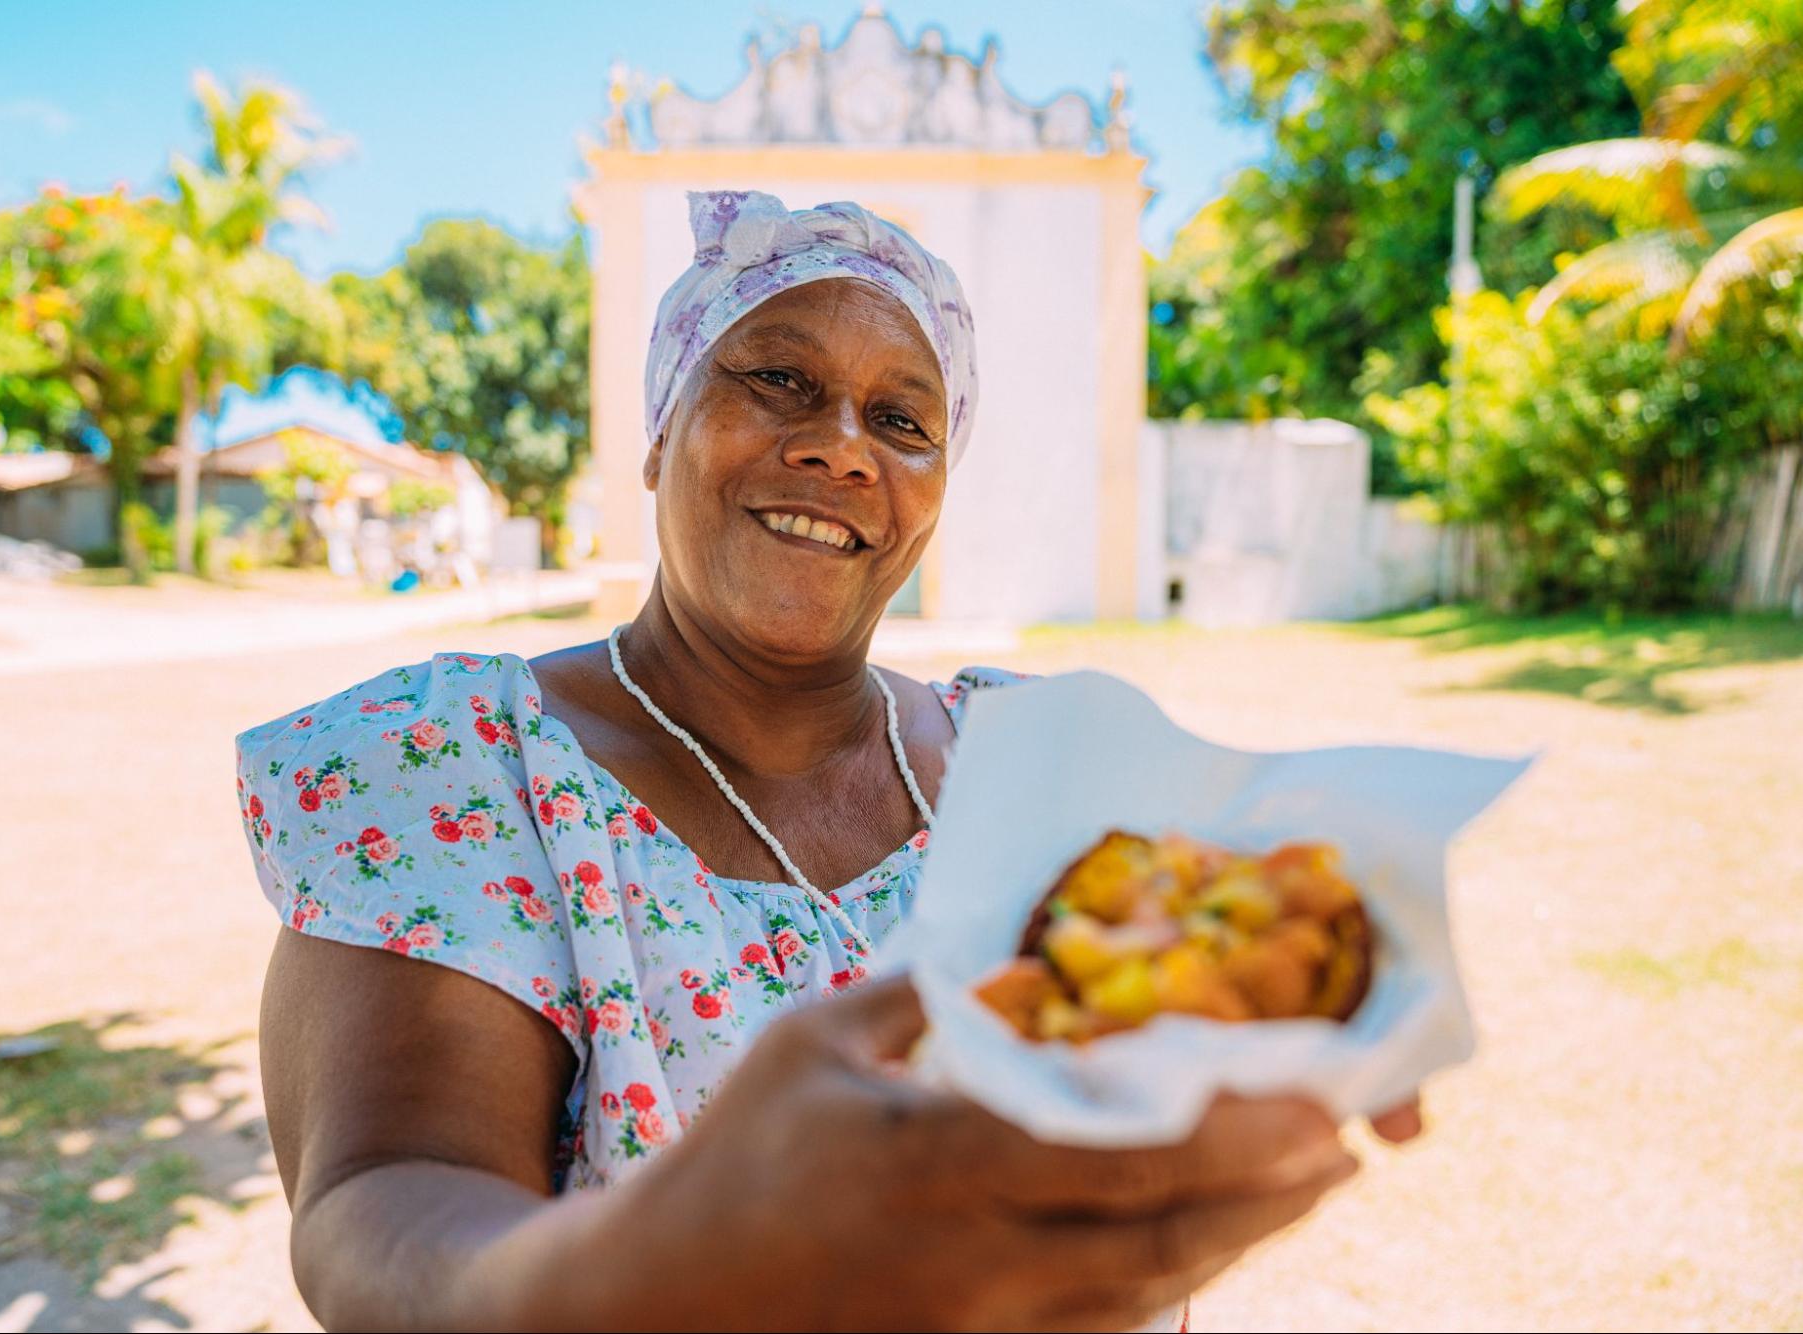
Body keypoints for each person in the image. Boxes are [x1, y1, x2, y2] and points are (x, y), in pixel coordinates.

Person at [237, 190, 1418, 1331]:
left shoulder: (1043, 764)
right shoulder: (468, 772)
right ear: (660, 429)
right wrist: (674, 1256)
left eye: (903, 420)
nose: (841, 447)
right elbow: (379, 1200)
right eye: (778, 379)